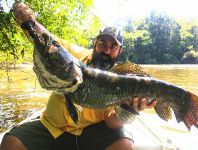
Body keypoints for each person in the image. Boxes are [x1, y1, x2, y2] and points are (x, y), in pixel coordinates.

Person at [0, 2, 157, 150]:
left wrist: (130, 111)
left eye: (113, 46)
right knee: (10, 143)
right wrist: (31, 22)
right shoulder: (74, 56)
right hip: (53, 126)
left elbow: (111, 122)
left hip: (89, 132)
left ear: (119, 51)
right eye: (102, 43)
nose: (106, 51)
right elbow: (49, 41)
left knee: (124, 144)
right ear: (95, 43)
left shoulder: (119, 81)